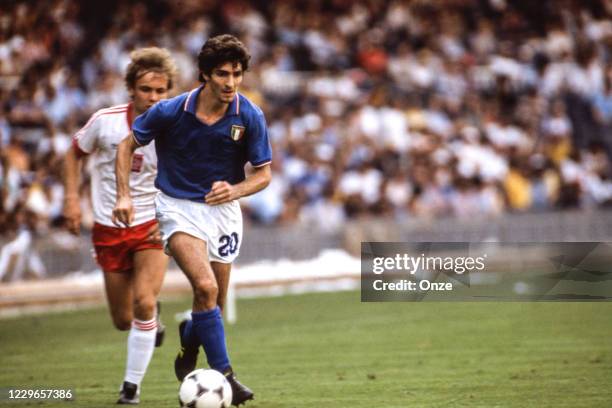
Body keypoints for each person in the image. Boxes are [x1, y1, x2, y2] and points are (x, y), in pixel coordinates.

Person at [113, 34, 272, 406]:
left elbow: (263, 174)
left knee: (212, 302)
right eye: (221, 74)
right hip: (177, 207)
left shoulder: (249, 115)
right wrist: (123, 194)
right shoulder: (171, 111)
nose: (230, 82)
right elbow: (126, 146)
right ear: (204, 74)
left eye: (236, 73)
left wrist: (234, 191)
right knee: (205, 287)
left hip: (224, 211)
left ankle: (189, 341)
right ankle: (228, 380)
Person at [63, 47, 177, 405]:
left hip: (151, 226)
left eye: (161, 91)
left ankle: (131, 389)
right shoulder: (105, 121)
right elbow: (73, 154)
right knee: (123, 319)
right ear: (131, 89)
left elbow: (189, 175)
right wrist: (70, 200)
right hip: (107, 227)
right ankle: (150, 319)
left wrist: (173, 217)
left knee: (144, 300)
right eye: (146, 89)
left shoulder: (175, 128)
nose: (154, 97)